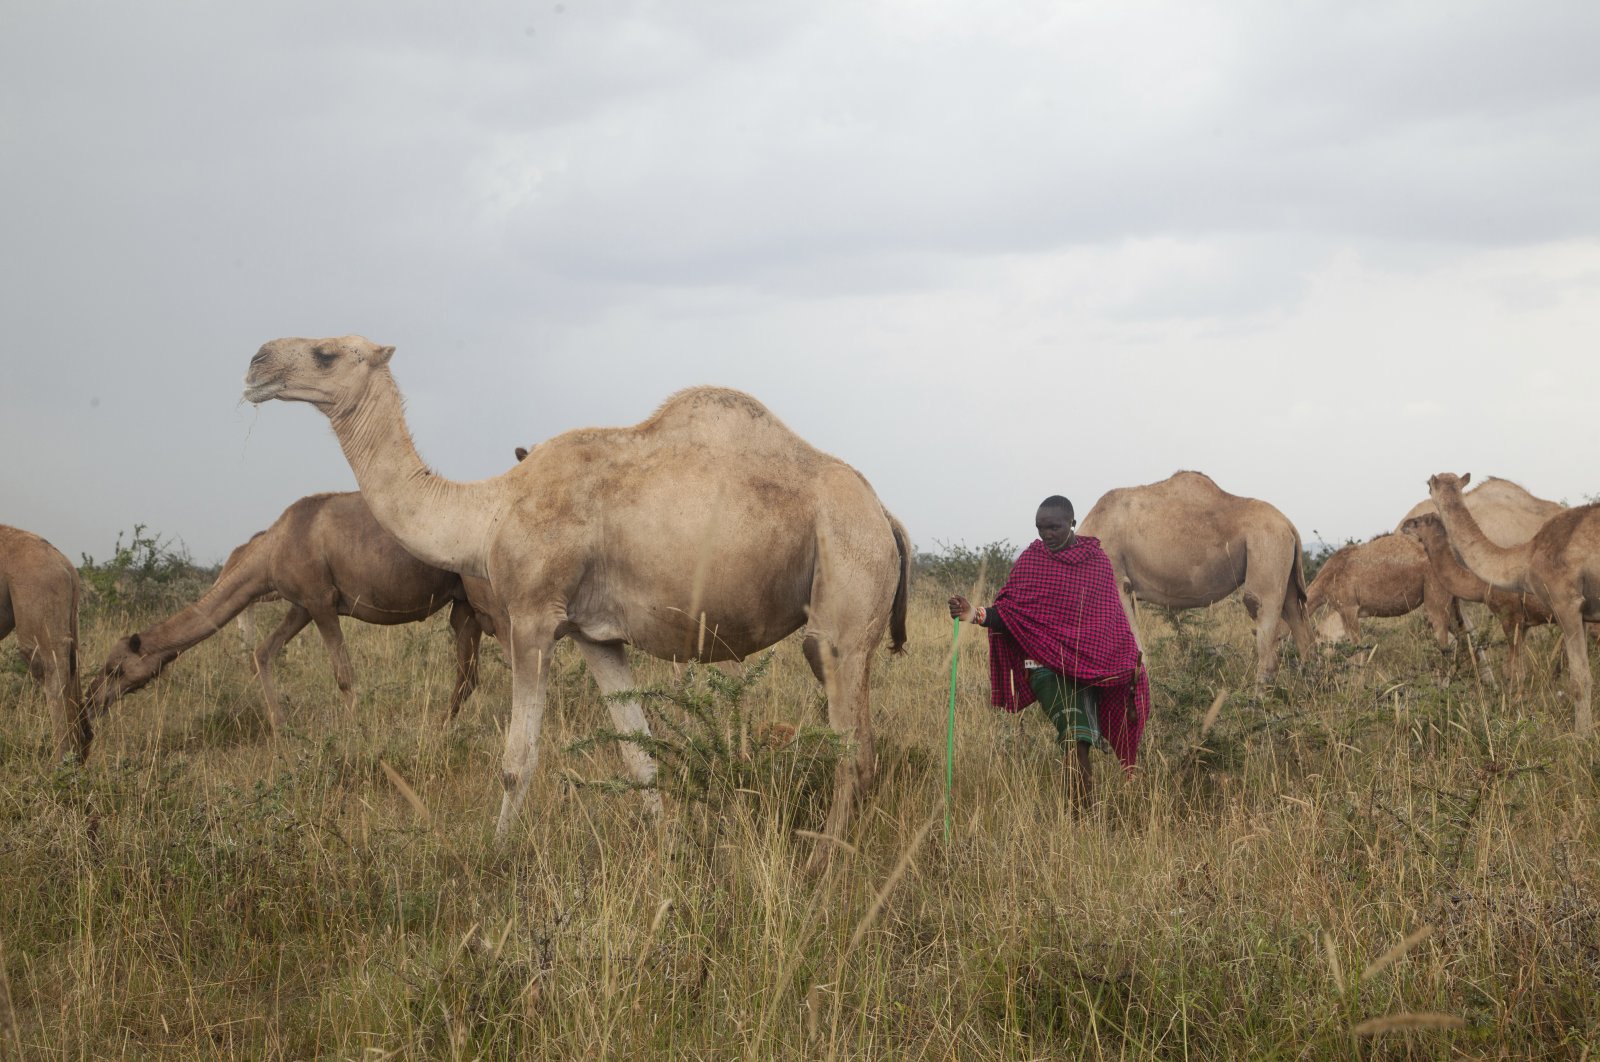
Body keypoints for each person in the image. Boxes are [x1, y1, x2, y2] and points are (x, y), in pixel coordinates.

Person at [948, 495, 1148, 806]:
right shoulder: (1032, 560)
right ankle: (1080, 818)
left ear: (1071, 523)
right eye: (1041, 528)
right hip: (1044, 666)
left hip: (1092, 666)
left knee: (1087, 734)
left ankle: (1085, 814)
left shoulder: (1095, 563)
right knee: (1075, 736)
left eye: (1053, 527)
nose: (1047, 534)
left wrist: (1124, 659)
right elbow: (1012, 612)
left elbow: (1110, 619)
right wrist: (974, 614)